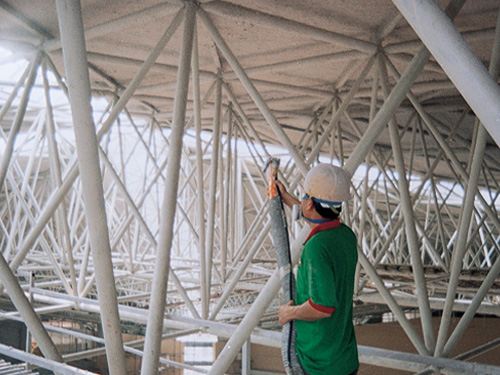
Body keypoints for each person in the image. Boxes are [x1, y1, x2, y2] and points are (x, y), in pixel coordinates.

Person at [276, 163, 359, 375]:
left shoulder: (316, 248)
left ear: (311, 204)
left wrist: (289, 313)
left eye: (305, 196)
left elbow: (322, 307)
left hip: (319, 363)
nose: (302, 199)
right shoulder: (345, 236)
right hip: (344, 358)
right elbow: (317, 218)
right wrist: (287, 197)